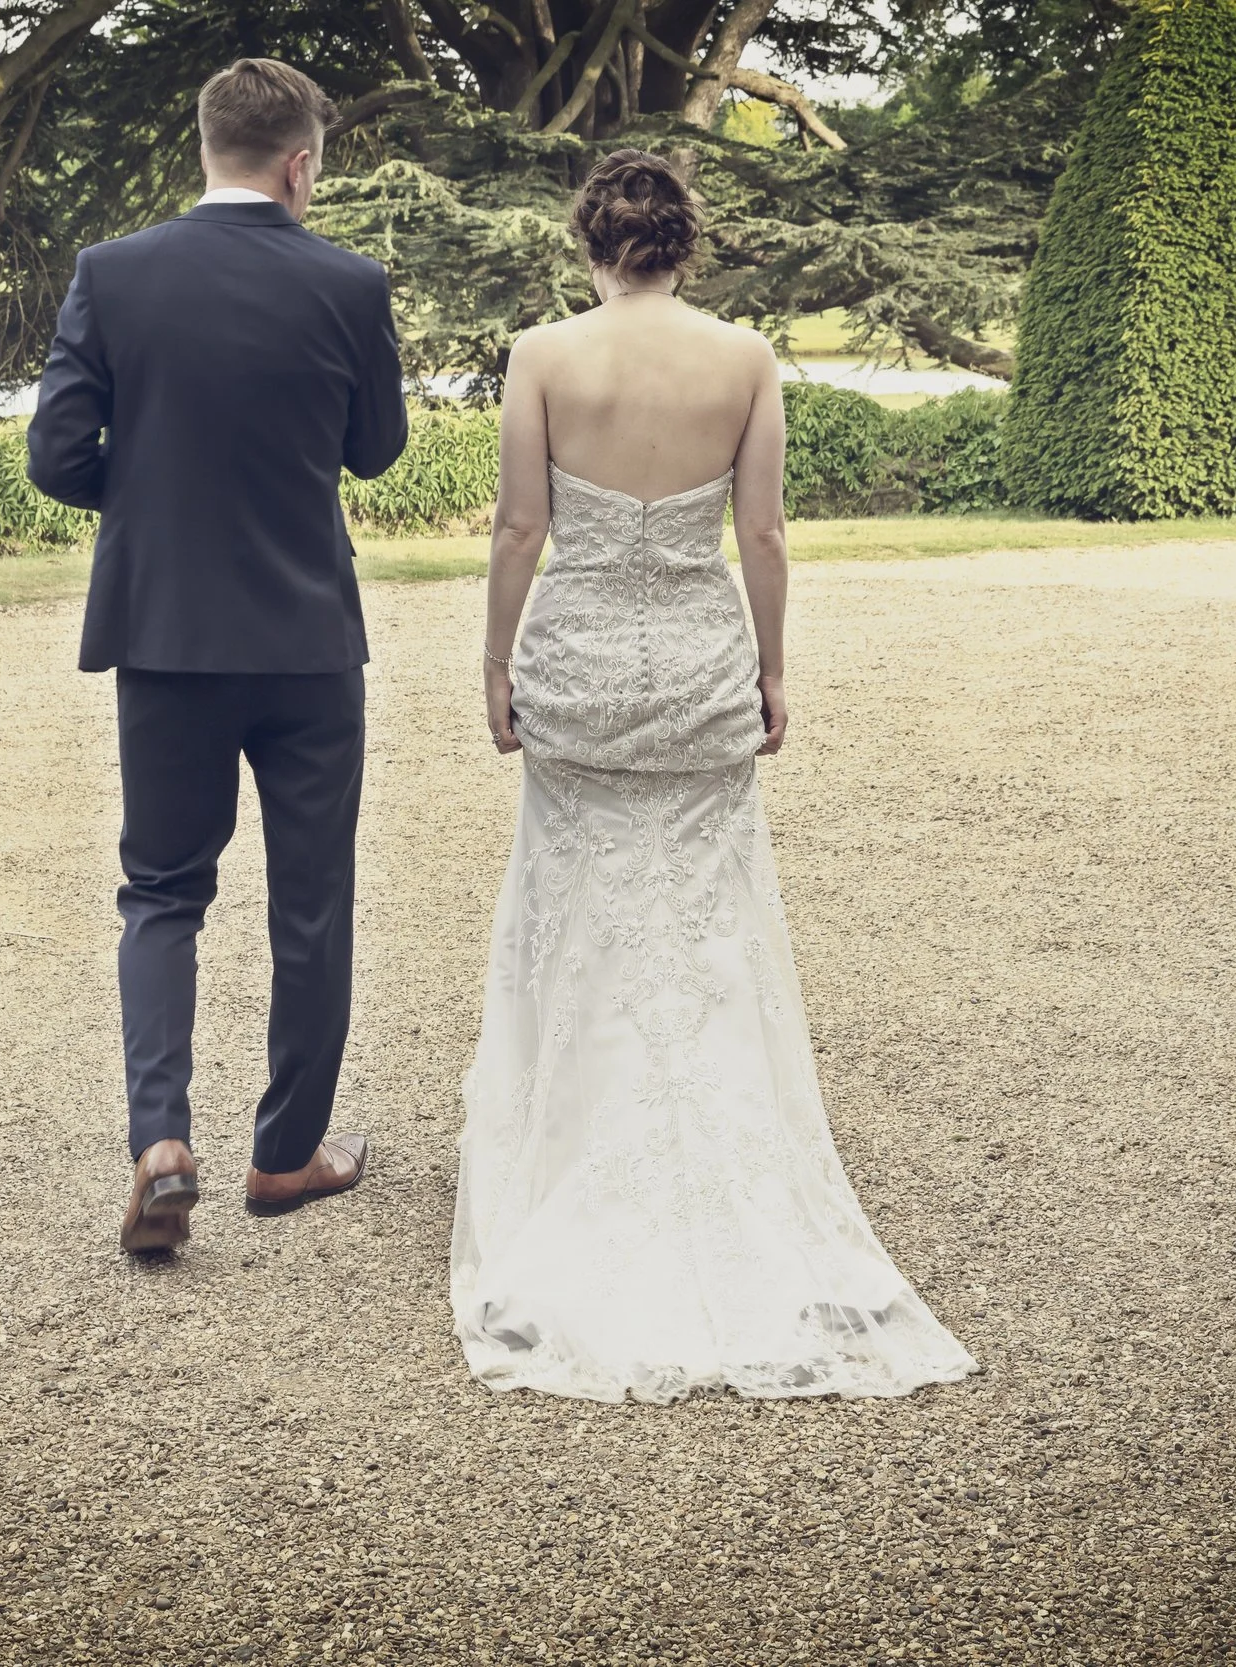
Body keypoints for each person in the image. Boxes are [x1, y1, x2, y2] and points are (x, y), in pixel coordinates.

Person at [455, 150, 978, 1401]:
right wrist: (772, 672)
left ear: (588, 243)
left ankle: (572, 1154)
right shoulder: (745, 358)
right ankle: (717, 1154)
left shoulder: (540, 355)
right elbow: (761, 532)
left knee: (573, 905)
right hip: (698, 670)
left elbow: (522, 529)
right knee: (704, 920)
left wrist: (492, 666)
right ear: (690, 244)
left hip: (579, 668)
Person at [26, 58, 408, 1253]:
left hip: (167, 636)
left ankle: (160, 1142)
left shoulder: (113, 274)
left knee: (161, 890)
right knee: (312, 899)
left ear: (209, 148)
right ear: (300, 162)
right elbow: (377, 451)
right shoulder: (350, 283)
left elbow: (53, 456)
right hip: (303, 641)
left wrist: (147, 497)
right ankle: (286, 1156)